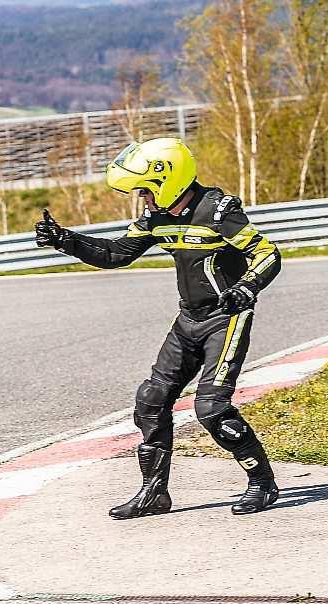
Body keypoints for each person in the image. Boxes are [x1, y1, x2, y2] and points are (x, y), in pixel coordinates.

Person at [35, 137, 281, 517]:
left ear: (168, 180)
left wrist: (246, 287)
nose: (142, 200)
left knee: (212, 409)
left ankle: (262, 483)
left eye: (144, 190)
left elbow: (267, 253)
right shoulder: (157, 218)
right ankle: (154, 494)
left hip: (226, 319)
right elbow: (116, 254)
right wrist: (66, 241)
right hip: (188, 319)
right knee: (150, 401)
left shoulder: (217, 210)